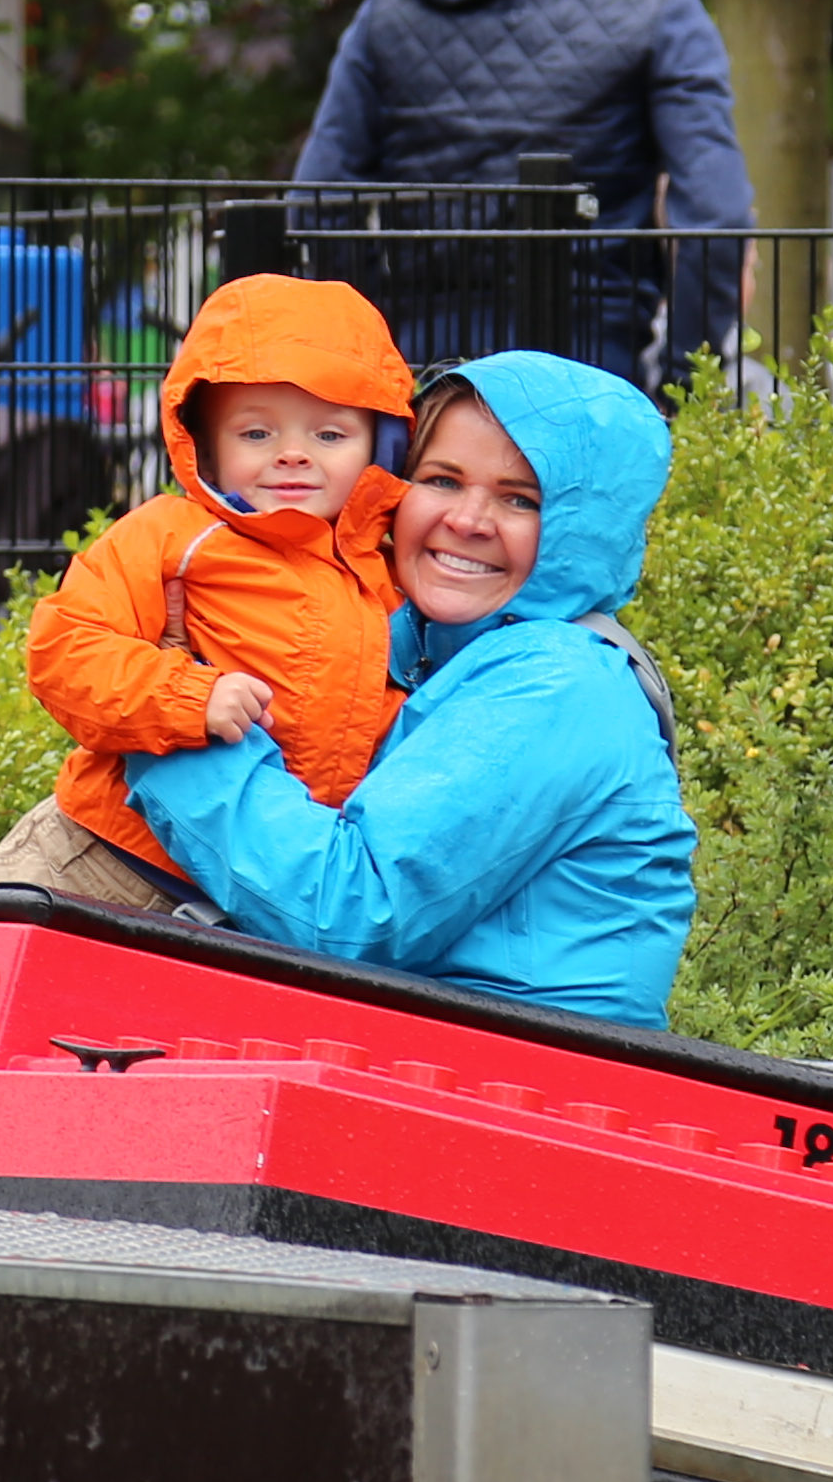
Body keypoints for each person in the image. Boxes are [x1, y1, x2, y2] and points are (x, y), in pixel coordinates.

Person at [128, 350, 695, 1025]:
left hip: (520, 1093)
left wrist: (176, 715)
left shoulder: (555, 684)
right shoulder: (426, 652)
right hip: (449, 1064)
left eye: (521, 499)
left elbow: (352, 912)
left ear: (585, 530)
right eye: (442, 479)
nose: (468, 520)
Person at [0, 277, 415, 1012]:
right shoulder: (173, 536)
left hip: (242, 899)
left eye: (329, 434)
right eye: (256, 433)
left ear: (380, 442)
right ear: (204, 444)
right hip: (95, 859)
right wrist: (191, 694)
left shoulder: (386, 573)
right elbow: (66, 648)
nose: (293, 456)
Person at [294, 0, 750, 393]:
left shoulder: (391, 8)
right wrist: (681, 384)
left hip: (427, 372)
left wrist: (377, 353)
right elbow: (717, 216)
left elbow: (320, 199)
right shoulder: (664, 16)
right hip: (593, 372)